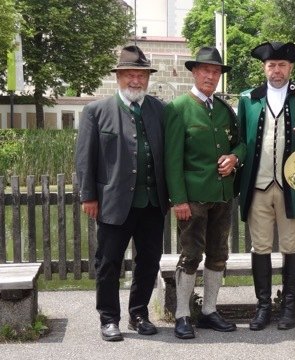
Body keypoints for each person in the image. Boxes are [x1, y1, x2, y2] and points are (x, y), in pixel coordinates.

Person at [75, 45, 168, 342]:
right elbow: (84, 158)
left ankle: (139, 313)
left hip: (152, 202)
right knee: (109, 261)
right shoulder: (96, 111)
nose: (135, 80)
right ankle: (109, 318)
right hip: (114, 202)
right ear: (118, 77)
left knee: (149, 261)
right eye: (129, 74)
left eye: (141, 75)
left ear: (147, 78)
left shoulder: (159, 110)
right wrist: (88, 196)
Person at [236, 41, 295, 331]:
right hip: (258, 184)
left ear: (291, 68)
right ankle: (263, 307)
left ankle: (289, 305)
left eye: (283, 65)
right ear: (264, 67)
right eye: (272, 65)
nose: (277, 70)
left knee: (290, 245)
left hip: (291, 184)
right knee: (260, 247)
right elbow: (239, 139)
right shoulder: (248, 98)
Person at [164, 46, 246, 339]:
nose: (210, 76)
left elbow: (241, 144)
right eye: (205, 70)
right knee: (190, 255)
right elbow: (171, 159)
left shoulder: (224, 110)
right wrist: (179, 199)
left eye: (215, 72)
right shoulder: (177, 109)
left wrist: (235, 158)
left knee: (219, 253)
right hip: (193, 198)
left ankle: (209, 310)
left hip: (222, 195)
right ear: (194, 72)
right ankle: (183, 315)